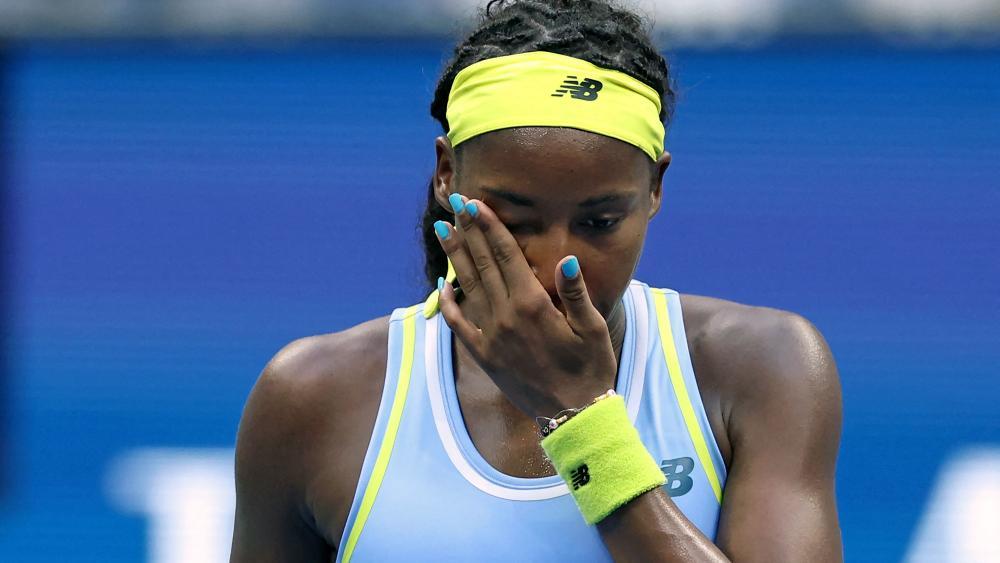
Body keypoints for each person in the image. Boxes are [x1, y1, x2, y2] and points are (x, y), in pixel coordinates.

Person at [230, 1, 843, 561]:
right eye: (517, 220)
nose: (557, 266)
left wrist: (581, 425)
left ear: (655, 189)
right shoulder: (309, 399)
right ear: (447, 174)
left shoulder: (766, 366)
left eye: (600, 222)